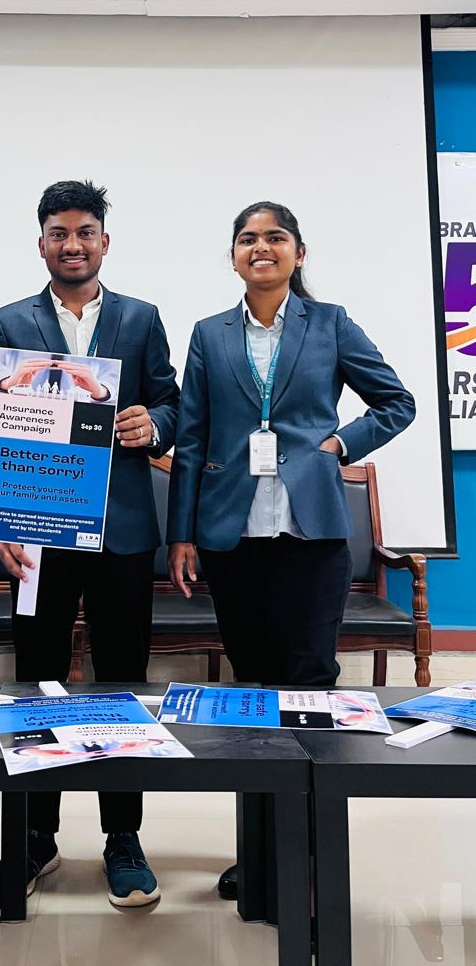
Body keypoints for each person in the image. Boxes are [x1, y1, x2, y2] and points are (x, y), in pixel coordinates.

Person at [166, 200, 415, 898]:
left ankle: (305, 854)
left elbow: (395, 403)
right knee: (251, 696)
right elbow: (192, 436)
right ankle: (258, 855)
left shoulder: (330, 323)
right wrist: (182, 533)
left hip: (311, 537)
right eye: (247, 238)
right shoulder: (209, 334)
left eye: (275, 237)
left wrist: (338, 445)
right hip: (232, 536)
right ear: (233, 256)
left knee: (308, 689)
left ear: (297, 253)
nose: (261, 247)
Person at [0, 179, 180, 907]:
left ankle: (123, 836)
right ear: (42, 244)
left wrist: (152, 425)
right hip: (37, 531)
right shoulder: (9, 320)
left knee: (122, 682)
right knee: (37, 680)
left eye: (85, 232)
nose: (72, 244)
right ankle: (36, 834)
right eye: (59, 233)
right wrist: (4, 523)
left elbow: (172, 402)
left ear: (104, 241)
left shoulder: (140, 317)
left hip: (121, 532)